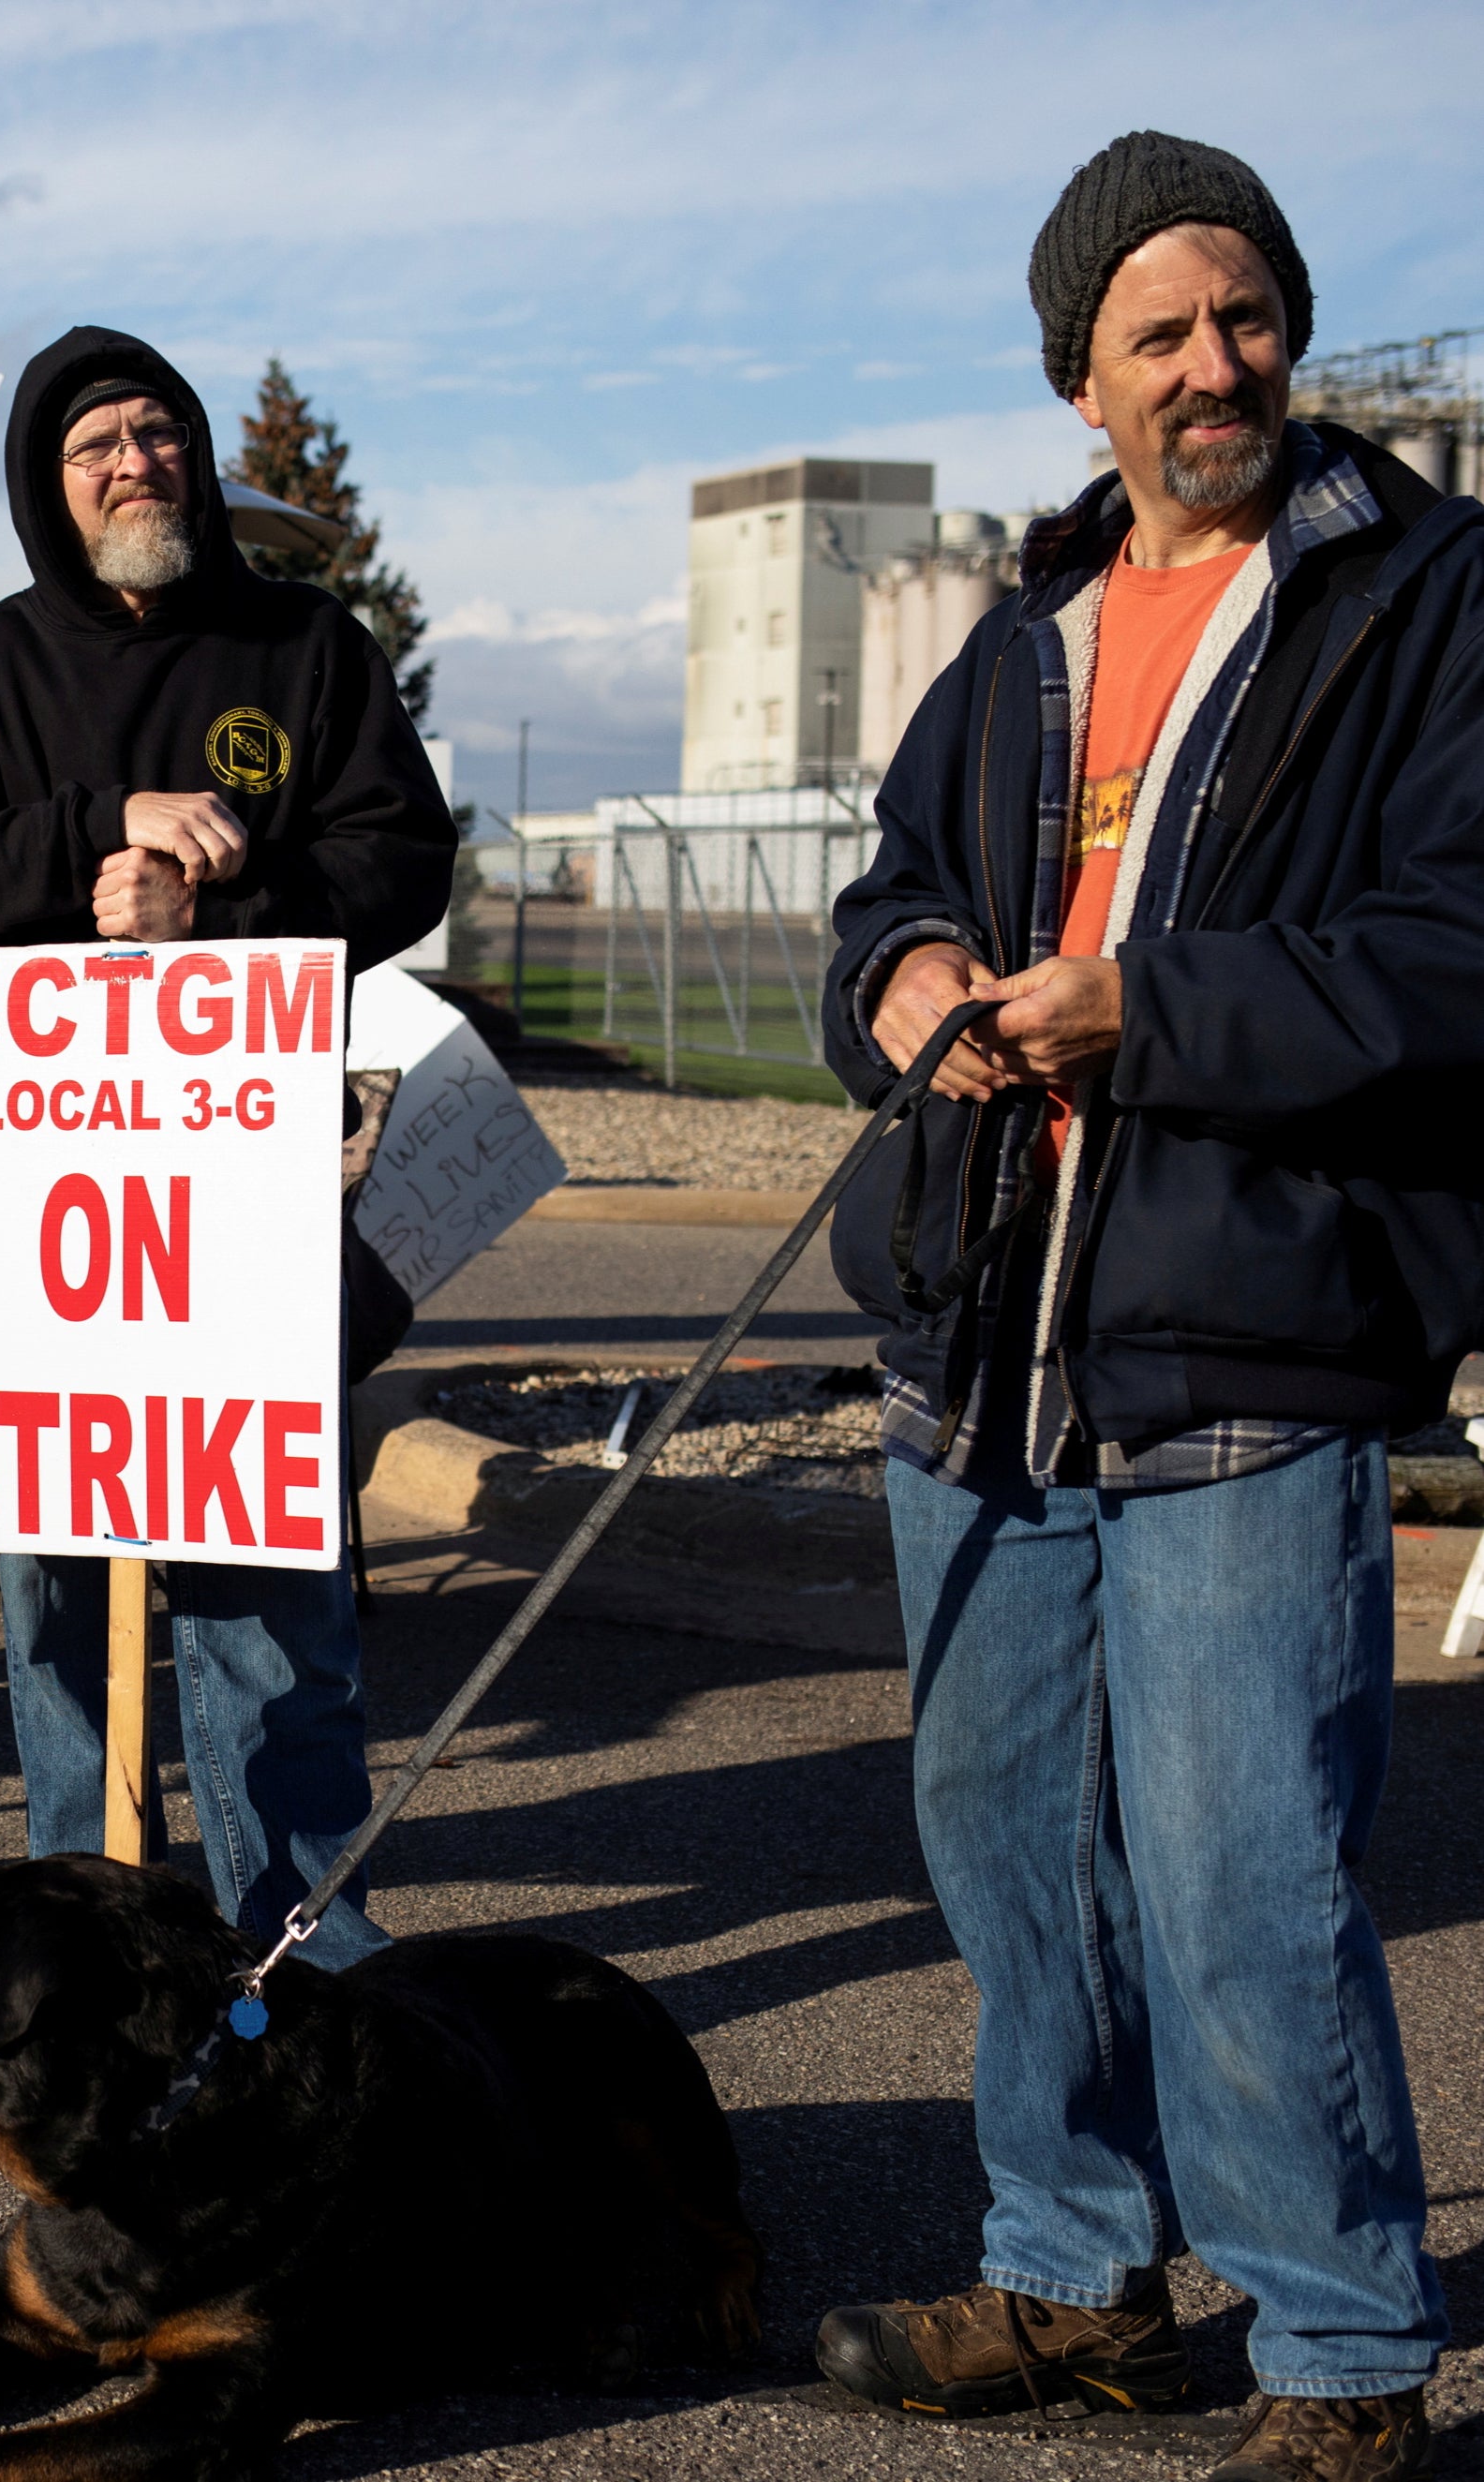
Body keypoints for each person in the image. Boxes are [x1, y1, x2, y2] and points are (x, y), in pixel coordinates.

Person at [811, 136, 1480, 2482]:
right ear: (1071, 377)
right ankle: (1076, 2276)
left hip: (1243, 1323)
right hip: (981, 1329)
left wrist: (1147, 1016)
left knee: (1235, 1875)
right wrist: (895, 987)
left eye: (1247, 314)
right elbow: (878, 893)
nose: (1216, 365)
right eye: (1157, 332)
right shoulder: (1021, 634)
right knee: (1006, 1850)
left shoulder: (1425, 597)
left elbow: (1451, 956)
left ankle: (1332, 2351)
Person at [0, 327, 452, 1969]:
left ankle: (293, 1931)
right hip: (33, 1214)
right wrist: (96, 829)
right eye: (96, 443)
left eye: (158, 432)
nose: (136, 461)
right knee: (58, 1597)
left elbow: (400, 858)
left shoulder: (302, 643)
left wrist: (224, 909)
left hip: (242, 1203)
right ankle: (89, 1923)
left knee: (267, 1587)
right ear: (49, 489)